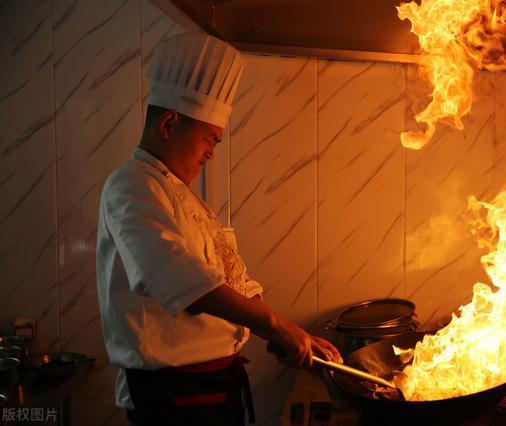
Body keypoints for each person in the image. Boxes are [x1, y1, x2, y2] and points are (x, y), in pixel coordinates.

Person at [96, 33, 341, 426]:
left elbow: (231, 283)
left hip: (213, 390)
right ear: (170, 123)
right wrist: (277, 326)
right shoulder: (132, 186)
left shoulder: (185, 197)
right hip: (172, 399)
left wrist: (286, 336)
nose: (212, 152)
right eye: (210, 138)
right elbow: (180, 279)